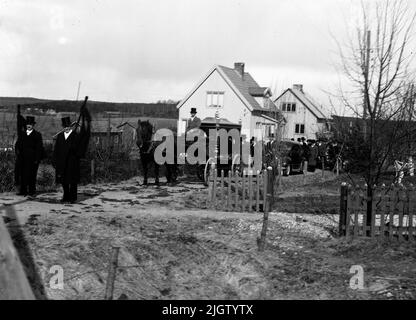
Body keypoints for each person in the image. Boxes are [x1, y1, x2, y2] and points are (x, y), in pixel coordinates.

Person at [53, 117, 81, 203]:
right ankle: (66, 196)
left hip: (72, 162)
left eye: (68, 126)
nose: (66, 128)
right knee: (63, 181)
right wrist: (55, 160)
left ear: (70, 126)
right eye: (65, 126)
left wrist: (74, 148)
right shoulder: (60, 136)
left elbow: (79, 150)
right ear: (63, 127)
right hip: (62, 162)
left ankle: (72, 198)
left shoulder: (75, 136)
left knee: (72, 181)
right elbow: (56, 149)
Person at [15, 116, 44, 196]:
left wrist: (37, 159)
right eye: (27, 124)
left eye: (30, 124)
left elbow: (39, 148)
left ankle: (32, 191)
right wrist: (17, 153)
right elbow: (17, 145)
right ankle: (23, 191)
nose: (29, 125)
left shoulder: (37, 135)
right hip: (23, 158)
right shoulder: (22, 134)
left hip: (33, 159)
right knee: (23, 174)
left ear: (33, 125)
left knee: (32, 175)